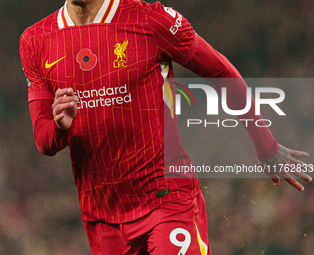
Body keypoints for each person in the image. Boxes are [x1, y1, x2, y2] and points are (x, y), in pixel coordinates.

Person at [19, 0, 312, 254]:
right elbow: (44, 142)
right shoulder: (36, 40)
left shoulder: (151, 20)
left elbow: (221, 71)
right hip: (102, 217)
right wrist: (60, 126)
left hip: (166, 199)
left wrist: (266, 146)